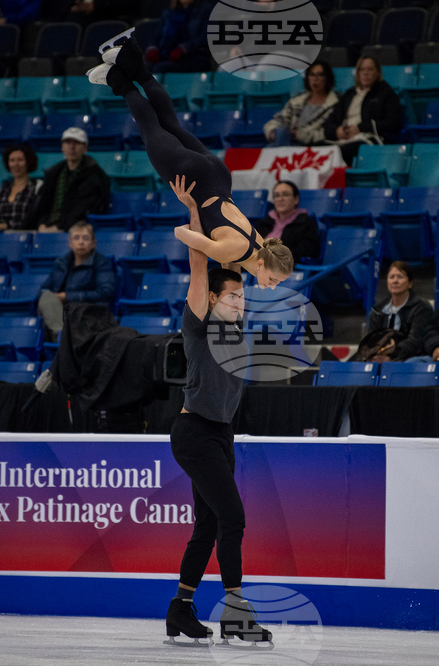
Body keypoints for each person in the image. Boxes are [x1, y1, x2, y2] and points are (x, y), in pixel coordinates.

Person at [90, 30, 296, 288]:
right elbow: (182, 233)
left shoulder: (264, 245)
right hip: (192, 180)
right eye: (274, 279)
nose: (272, 285)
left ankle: (129, 58)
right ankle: (116, 76)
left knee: (169, 122)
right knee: (150, 127)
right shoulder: (231, 251)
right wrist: (190, 206)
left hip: (218, 177)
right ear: (263, 265)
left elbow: (234, 258)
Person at [163, 175, 272, 647]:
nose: (240, 301)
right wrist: (194, 211)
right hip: (195, 433)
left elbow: (256, 264)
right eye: (232, 295)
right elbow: (199, 261)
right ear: (211, 298)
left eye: (242, 296)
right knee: (234, 519)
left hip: (220, 435)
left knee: (208, 524)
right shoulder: (200, 322)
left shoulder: (237, 330)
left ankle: (180, 610)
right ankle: (236, 614)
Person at [37, 221, 117, 340]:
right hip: (62, 313)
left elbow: (106, 292)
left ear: (93, 243)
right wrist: (54, 298)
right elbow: (43, 290)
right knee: (46, 299)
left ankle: (61, 340)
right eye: (76, 238)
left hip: (88, 312)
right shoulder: (61, 263)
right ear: (70, 243)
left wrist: (67, 296)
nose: (81, 242)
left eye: (85, 238)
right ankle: (59, 338)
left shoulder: (101, 263)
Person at [322, 55, 404, 166]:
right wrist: (337, 130)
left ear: (377, 72)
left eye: (370, 69)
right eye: (362, 69)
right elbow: (328, 123)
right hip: (344, 138)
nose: (366, 73)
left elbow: (393, 123)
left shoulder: (386, 94)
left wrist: (360, 128)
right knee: (317, 149)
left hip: (368, 140)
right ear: (358, 73)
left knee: (344, 151)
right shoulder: (349, 94)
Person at [29, 127, 111, 233]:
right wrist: (41, 224)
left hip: (74, 230)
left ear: (85, 147)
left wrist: (59, 227)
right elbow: (44, 205)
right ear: (62, 147)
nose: (72, 147)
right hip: (47, 228)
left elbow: (81, 210)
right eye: (68, 142)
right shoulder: (53, 174)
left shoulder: (94, 177)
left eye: (77, 143)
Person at [364, 261, 434, 363]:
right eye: (391, 277)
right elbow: (370, 340)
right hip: (381, 356)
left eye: (400, 277)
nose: (395, 281)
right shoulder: (378, 310)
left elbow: (415, 342)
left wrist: (391, 357)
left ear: (410, 283)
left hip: (411, 357)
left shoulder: (422, 307)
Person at [262, 61, 339, 147]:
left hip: (314, 146)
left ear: (327, 78)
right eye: (312, 75)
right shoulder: (297, 102)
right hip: (289, 142)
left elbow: (329, 133)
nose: (315, 79)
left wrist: (301, 135)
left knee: (272, 148)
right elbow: (278, 120)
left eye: (320, 74)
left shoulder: (336, 104)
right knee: (280, 131)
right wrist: (272, 132)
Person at [0, 144, 43, 232]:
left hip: (20, 235)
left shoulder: (37, 187)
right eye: (12, 160)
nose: (16, 164)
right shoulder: (1, 189)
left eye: (20, 160)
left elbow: (33, 218)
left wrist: (5, 226)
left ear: (28, 162)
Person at [252, 181, 320, 263]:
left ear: (296, 199)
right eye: (277, 196)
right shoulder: (264, 223)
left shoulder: (305, 223)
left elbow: (308, 251)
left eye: (286, 194)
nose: (280, 199)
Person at [145, 0, 212, 74]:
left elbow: (204, 38)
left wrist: (183, 48)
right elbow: (157, 35)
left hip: (194, 57)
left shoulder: (206, 10)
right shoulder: (168, 12)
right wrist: (153, 48)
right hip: (166, 55)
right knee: (143, 69)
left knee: (160, 68)